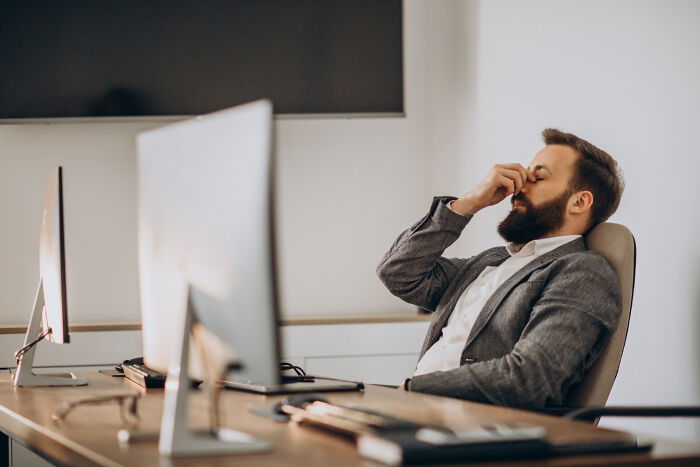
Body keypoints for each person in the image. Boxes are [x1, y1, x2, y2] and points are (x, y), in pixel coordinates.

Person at [377, 128, 624, 409]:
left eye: (538, 177)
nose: (518, 187)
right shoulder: (490, 262)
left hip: (478, 428)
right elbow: (397, 272)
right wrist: (467, 203)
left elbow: (530, 378)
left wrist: (416, 389)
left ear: (579, 201)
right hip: (420, 411)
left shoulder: (582, 273)